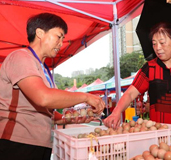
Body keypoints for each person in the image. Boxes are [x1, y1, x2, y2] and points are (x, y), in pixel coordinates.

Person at [0, 13, 105, 160]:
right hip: (18, 143)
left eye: (63, 39)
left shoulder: (43, 69)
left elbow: (47, 111)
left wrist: (69, 119)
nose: (61, 43)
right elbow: (43, 98)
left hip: (40, 143)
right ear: (40, 33)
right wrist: (86, 97)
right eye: (58, 36)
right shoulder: (21, 57)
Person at [104, 22, 171, 152]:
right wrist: (116, 113)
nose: (158, 48)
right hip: (160, 136)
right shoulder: (150, 68)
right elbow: (131, 93)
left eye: (162, 42)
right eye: (154, 43)